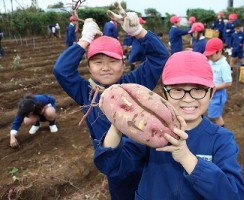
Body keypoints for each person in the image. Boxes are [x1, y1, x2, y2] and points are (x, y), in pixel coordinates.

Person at [94, 51, 244, 200]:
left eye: (198, 90)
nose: (188, 99)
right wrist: (117, 122)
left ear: (211, 92)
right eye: (177, 90)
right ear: (164, 94)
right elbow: (111, 166)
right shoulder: (148, 133)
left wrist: (187, 158)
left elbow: (234, 194)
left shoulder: (221, 139)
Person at [53, 3, 169, 200]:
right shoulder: (86, 92)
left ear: (123, 64)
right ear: (89, 67)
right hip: (116, 166)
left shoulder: (135, 81)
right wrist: (85, 40)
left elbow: (160, 57)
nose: (105, 68)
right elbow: (61, 70)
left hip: (148, 160)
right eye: (98, 62)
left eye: (113, 61)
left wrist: (139, 32)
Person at [203, 38, 232, 127]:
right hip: (211, 93)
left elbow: (228, 83)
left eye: (211, 55)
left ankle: (221, 131)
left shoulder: (224, 65)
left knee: (215, 116)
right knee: (211, 113)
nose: (210, 57)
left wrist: (214, 87)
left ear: (219, 51)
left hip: (218, 95)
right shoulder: (211, 61)